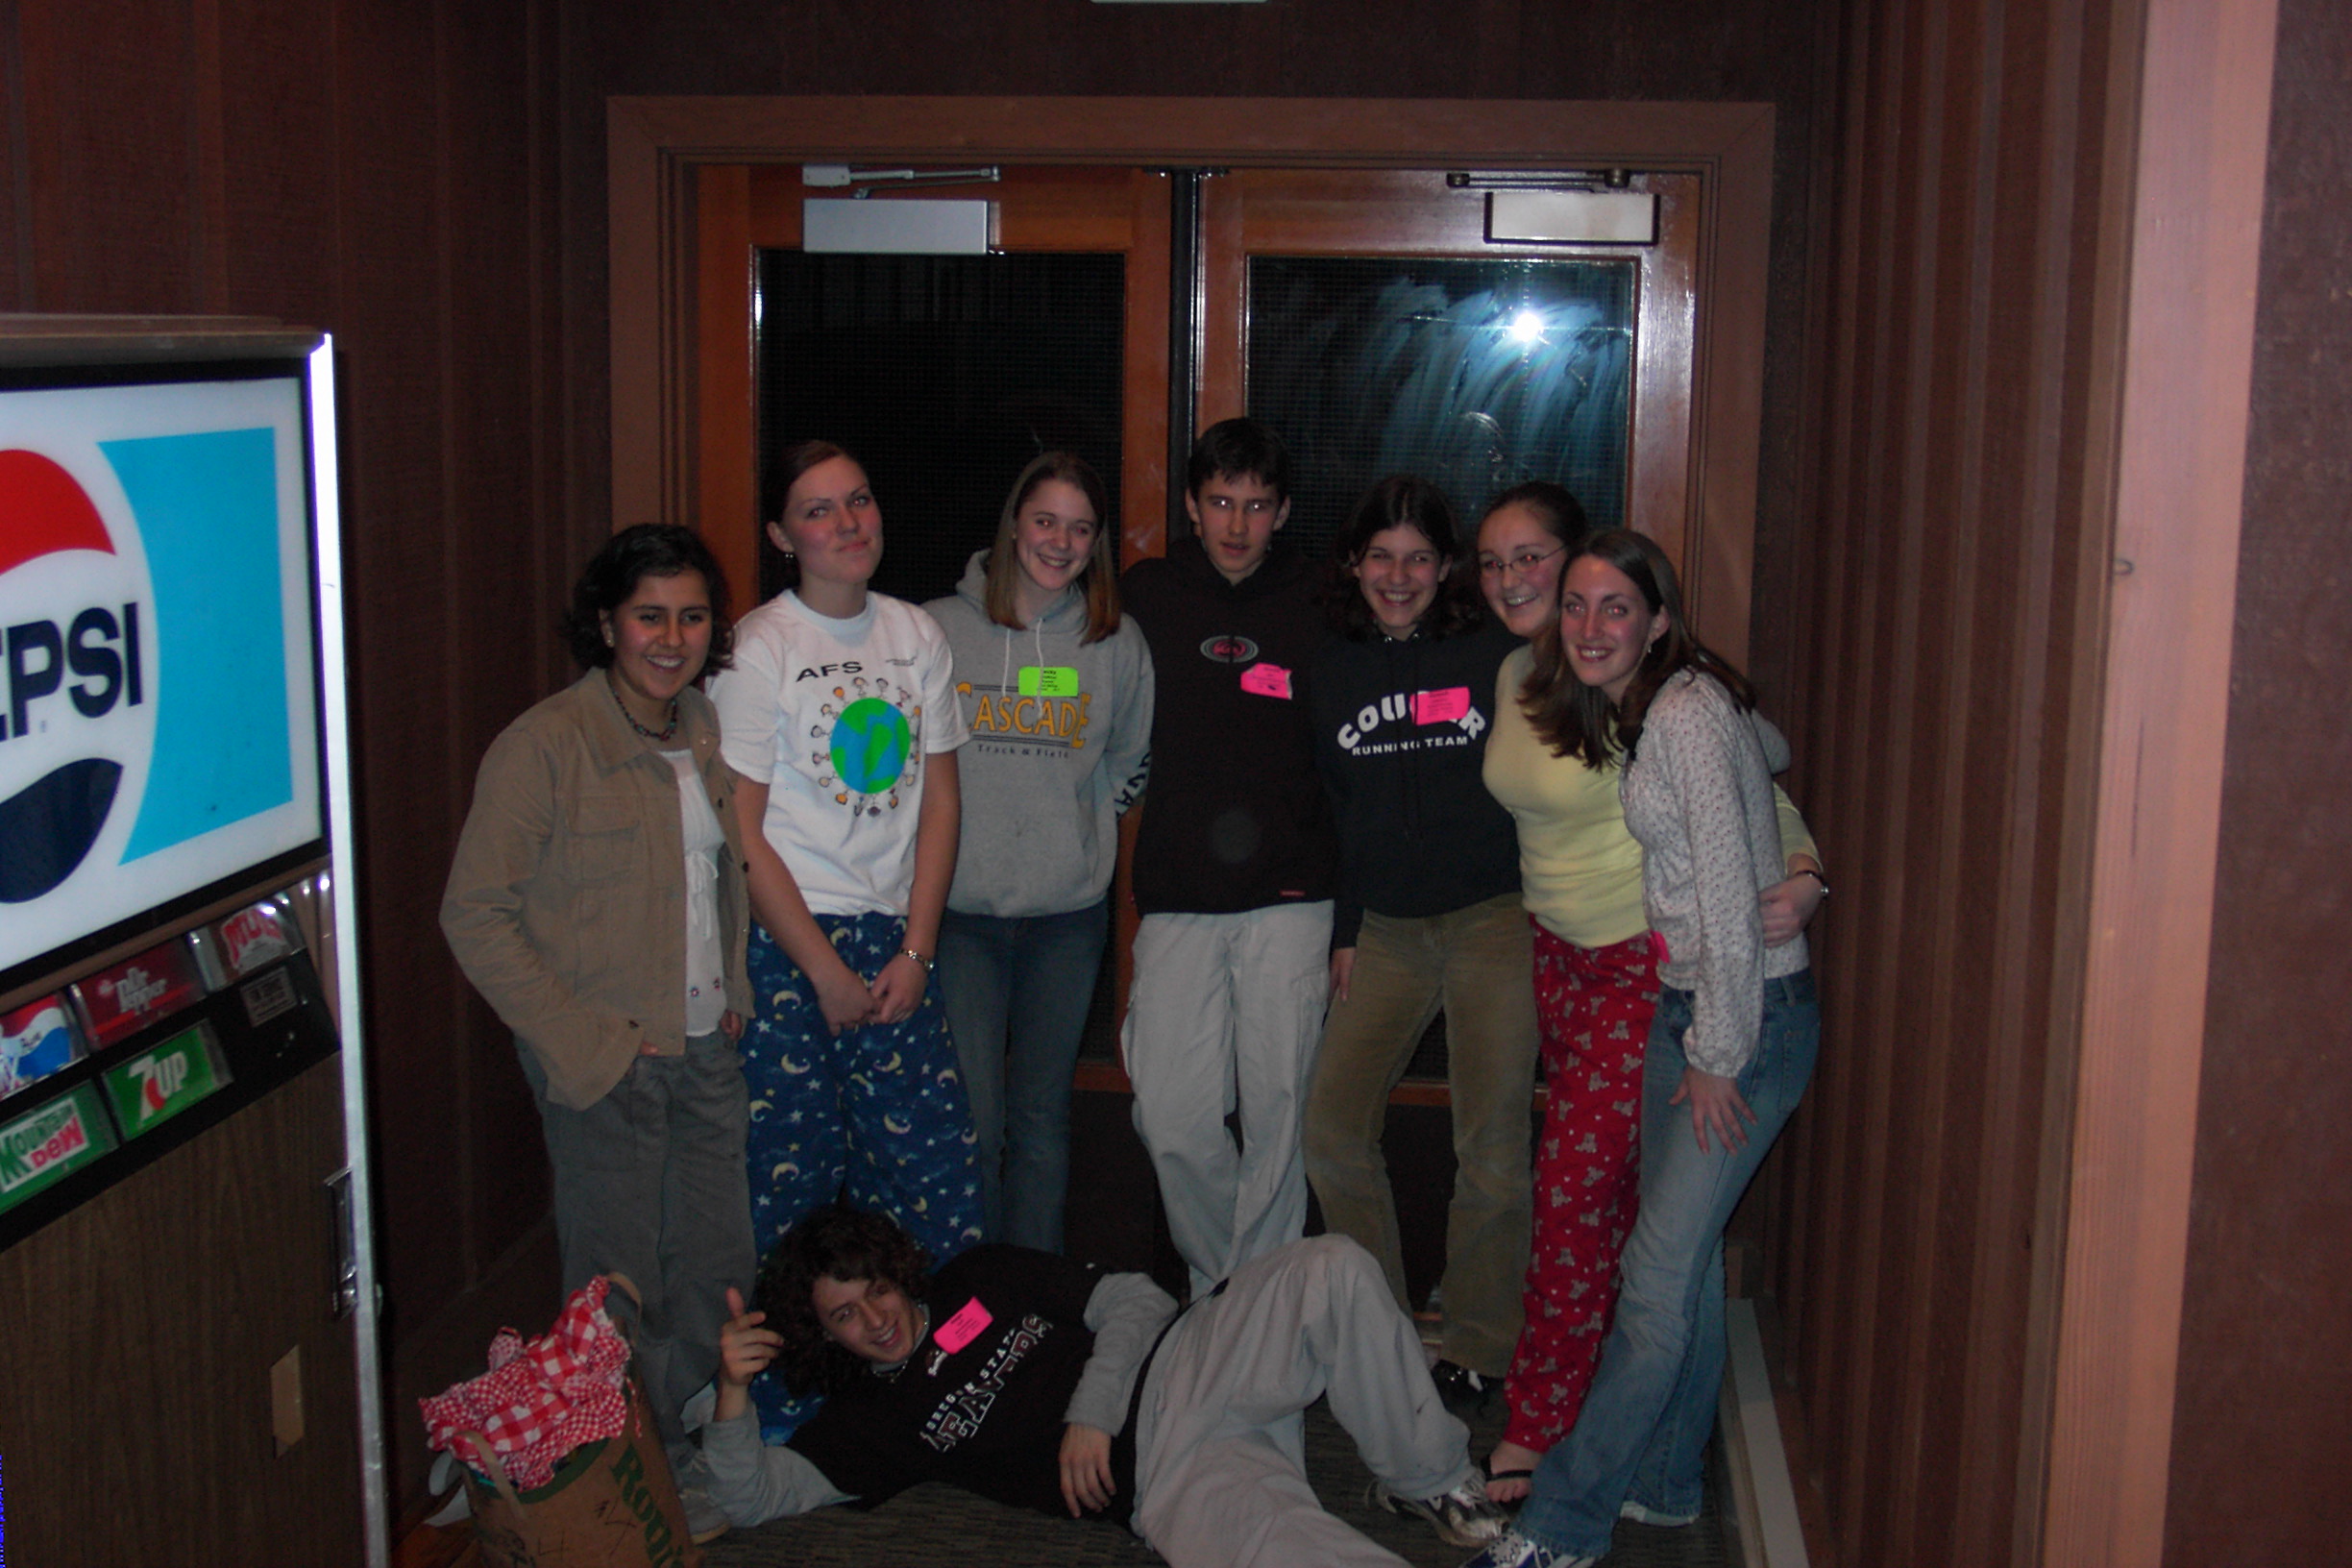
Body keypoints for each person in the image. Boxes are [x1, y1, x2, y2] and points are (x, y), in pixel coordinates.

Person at [1463, 529, 1823, 1568]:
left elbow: (1729, 898)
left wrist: (1717, 1054)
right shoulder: (1637, 703)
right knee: (1681, 1259)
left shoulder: (1683, 717)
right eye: (1576, 606)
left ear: (1659, 619)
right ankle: (1664, 1485)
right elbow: (1756, 765)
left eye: (1614, 607)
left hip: (1737, 1018)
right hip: (1681, 1002)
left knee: (1654, 1282)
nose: (1588, 625)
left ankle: (1561, 1523)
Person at [696, 1201, 1511, 1566]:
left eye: (876, 1290)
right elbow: (751, 1499)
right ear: (824, 1334)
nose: (875, 1319)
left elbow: (1136, 1299)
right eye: (844, 1315)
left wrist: (1093, 1411)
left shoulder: (977, 1277)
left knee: (1331, 1267)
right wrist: (732, 1389)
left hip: (1187, 1362)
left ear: (896, 1272)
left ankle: (1430, 1479)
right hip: (1167, 1481)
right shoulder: (871, 1420)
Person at [441, 523, 754, 1447]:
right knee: (618, 1294)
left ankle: (692, 1446)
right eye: (650, 616)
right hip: (610, 1066)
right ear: (608, 624)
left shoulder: (699, 725)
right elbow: (474, 915)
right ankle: (626, 1473)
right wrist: (588, 1046)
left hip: (705, 1051)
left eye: (692, 617)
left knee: (715, 1267)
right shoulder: (545, 745)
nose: (672, 638)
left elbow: (715, 878)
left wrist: (733, 992)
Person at [706, 440, 984, 1433]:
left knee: (930, 1178)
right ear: (783, 535)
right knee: (788, 1186)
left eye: (858, 501)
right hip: (791, 948)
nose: (846, 524)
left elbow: (941, 803)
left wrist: (917, 949)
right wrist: (822, 970)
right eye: (819, 510)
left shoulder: (916, 634)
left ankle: (945, 1384)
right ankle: (785, 1410)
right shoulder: (758, 648)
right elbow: (742, 831)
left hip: (895, 944)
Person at [1302, 475, 1535, 1409]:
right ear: (1354, 563)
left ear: (1447, 569)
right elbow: (1337, 813)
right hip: (1388, 931)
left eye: (1419, 559)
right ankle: (1383, 1332)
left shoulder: (1495, 653)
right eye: (1381, 557)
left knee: (1492, 1146)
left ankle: (1481, 1341)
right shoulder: (1329, 666)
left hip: (1493, 919)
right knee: (1331, 1129)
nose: (1398, 577)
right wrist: (1346, 929)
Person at [1118, 417, 1338, 1300]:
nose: (1237, 525)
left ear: (1281, 511)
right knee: (1170, 1116)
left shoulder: (1322, 599)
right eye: (1220, 502)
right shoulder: (1146, 594)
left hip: (1294, 893)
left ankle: (1260, 1311)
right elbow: (1070, 679)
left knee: (1281, 1113)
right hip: (1179, 890)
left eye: (1255, 505)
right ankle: (1227, 1287)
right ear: (1190, 504)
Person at [924, 452, 1155, 1251]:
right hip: (962, 917)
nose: (1060, 542)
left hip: (1066, 919)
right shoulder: (937, 631)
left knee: (1041, 1120)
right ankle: (973, 1293)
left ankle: (1033, 1295)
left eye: (1080, 529)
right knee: (975, 1120)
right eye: (1046, 521)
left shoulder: (1114, 643)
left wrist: (1076, 830)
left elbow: (1129, 757)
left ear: (1097, 544)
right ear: (1014, 526)